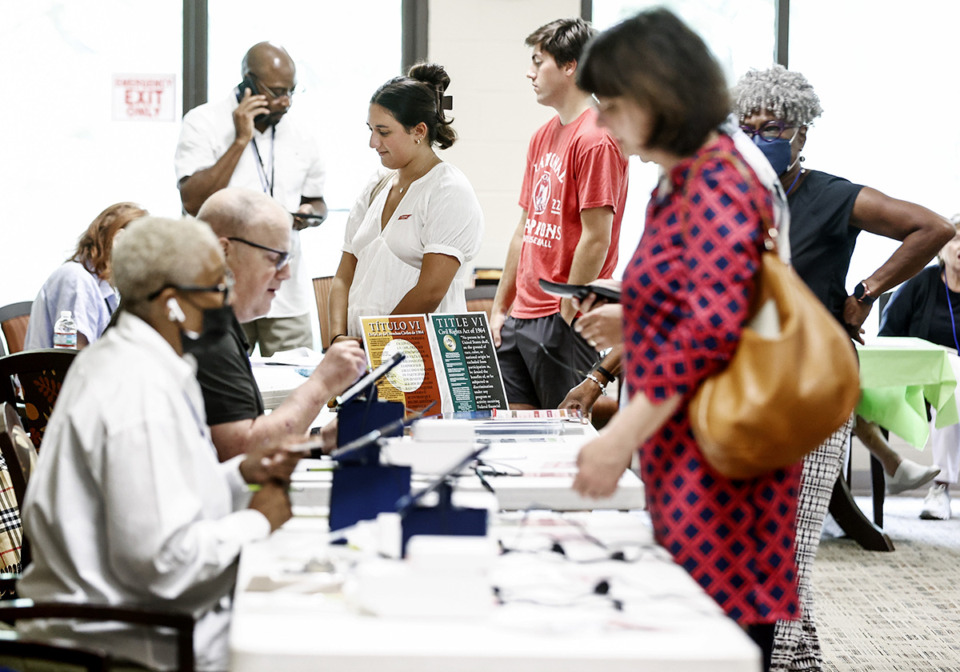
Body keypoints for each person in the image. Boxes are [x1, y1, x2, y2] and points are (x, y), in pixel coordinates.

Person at [570, 11, 801, 670]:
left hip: (723, 458)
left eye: (611, 107)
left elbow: (709, 331)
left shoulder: (719, 178)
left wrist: (618, 436)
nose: (605, 125)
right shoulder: (681, 178)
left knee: (716, 636)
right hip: (687, 446)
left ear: (657, 96)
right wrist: (633, 320)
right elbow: (693, 300)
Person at [734, 65, 954, 672]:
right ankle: (791, 659)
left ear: (801, 134)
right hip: (742, 396)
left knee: (789, 552)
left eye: (773, 127)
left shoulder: (830, 196)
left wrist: (868, 289)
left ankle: (791, 661)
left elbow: (932, 227)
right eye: (746, 128)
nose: (759, 139)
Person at [18, 215, 304, 671]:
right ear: (171, 304)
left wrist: (240, 475)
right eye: (215, 286)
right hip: (123, 643)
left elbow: (161, 496)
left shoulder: (138, 362)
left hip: (127, 620)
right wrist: (257, 522)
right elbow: (163, 565)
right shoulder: (137, 391)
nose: (225, 301)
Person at [488, 18, 629, 410]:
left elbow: (596, 236)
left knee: (559, 440)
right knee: (513, 433)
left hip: (560, 316)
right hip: (522, 314)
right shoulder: (542, 136)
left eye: (538, 61)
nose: (529, 72)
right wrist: (502, 306)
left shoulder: (597, 137)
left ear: (570, 66)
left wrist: (569, 311)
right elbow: (525, 228)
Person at [175, 41, 326, 357]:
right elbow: (193, 201)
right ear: (247, 82)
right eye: (275, 92)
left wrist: (310, 212)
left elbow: (318, 201)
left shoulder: (302, 133)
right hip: (223, 287)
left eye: (291, 91)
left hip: (285, 288)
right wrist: (241, 139)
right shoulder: (203, 122)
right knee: (222, 382)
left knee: (296, 381)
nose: (285, 102)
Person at [193, 187, 367, 461]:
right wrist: (323, 383)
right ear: (224, 252)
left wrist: (319, 442)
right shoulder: (201, 327)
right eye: (275, 259)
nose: (285, 274)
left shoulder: (215, 316)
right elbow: (241, 452)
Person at [327, 63, 483, 341]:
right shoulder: (377, 184)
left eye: (384, 132)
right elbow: (342, 277)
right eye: (370, 129)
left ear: (419, 131)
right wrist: (338, 339)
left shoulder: (448, 189)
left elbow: (431, 290)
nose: (373, 142)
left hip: (421, 357)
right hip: (361, 354)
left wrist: (377, 346)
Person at [879, 214, 960, 520]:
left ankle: (941, 488)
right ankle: (940, 487)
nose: (959, 246)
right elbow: (887, 338)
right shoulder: (920, 283)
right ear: (940, 248)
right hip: (923, 382)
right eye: (954, 239)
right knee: (950, 377)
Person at [24, 202, 147, 350]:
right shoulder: (77, 279)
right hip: (59, 372)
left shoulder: (103, 288)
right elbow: (73, 359)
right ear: (118, 241)